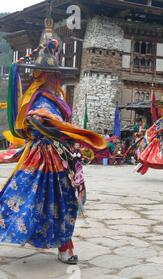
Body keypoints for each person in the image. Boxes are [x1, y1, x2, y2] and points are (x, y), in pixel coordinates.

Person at [0, 18, 106, 265]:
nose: (53, 77)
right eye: (49, 73)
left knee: (64, 201)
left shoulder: (56, 97)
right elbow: (34, 123)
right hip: (40, 158)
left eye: (55, 74)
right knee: (24, 198)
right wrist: (62, 130)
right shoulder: (37, 100)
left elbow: (58, 124)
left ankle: (64, 247)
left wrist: (72, 137)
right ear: (40, 74)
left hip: (61, 157)